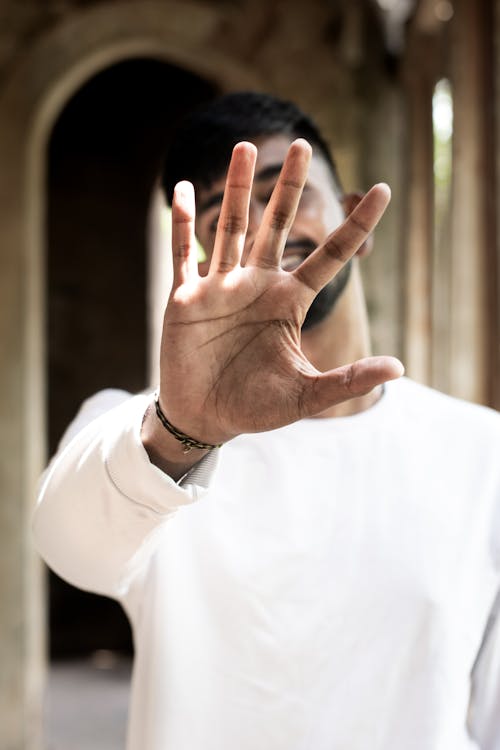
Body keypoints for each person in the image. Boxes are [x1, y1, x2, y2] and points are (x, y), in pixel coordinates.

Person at [34, 92, 500, 750]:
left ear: (354, 215)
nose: (266, 230)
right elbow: (69, 545)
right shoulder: (138, 432)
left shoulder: (480, 451)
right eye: (228, 215)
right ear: (203, 252)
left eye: (290, 192)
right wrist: (185, 430)